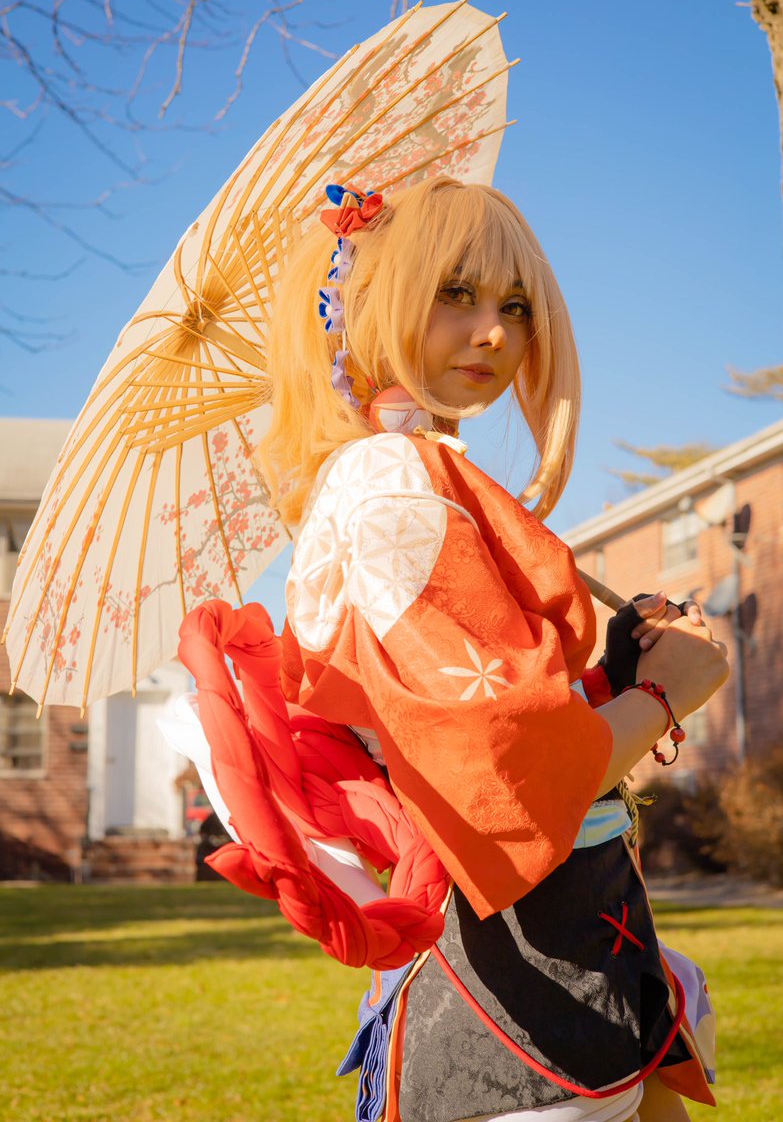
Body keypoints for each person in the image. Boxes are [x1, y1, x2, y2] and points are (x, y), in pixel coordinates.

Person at [207, 175, 729, 1122]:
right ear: (368, 301)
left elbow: (489, 715)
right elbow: (506, 774)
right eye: (455, 293)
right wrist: (662, 698)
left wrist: (616, 669)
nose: (492, 332)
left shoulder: (407, 475)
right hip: (521, 985)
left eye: (514, 306)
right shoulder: (395, 489)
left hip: (559, 949)